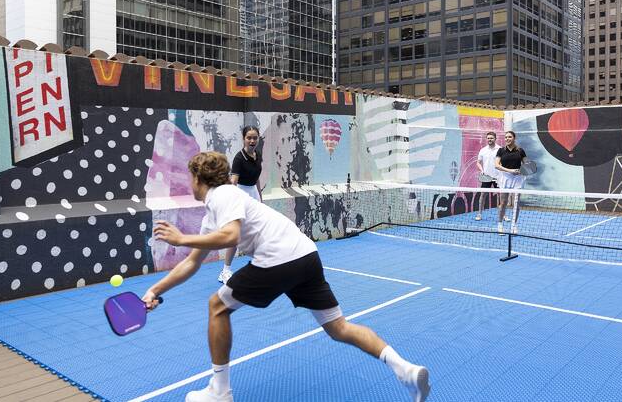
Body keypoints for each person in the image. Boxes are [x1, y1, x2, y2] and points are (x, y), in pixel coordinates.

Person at [144, 151, 431, 402]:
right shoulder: (214, 213)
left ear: (198, 178)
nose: (189, 183)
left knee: (217, 307)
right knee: (339, 328)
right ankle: (404, 369)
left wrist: (181, 239)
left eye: (190, 177)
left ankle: (219, 391)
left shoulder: (223, 194)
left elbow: (230, 235)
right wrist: (156, 290)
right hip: (306, 256)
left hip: (277, 258)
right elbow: (193, 263)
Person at [218, 126, 263, 285]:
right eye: (249, 138)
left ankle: (260, 267)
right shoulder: (238, 158)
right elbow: (233, 182)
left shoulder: (258, 155)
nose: (252, 141)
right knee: (235, 235)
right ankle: (225, 271)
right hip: (241, 194)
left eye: (255, 138)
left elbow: (257, 177)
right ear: (243, 139)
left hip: (253, 194)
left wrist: (260, 198)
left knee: (258, 232)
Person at [495, 131, 527, 234]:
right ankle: (500, 224)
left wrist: (521, 170)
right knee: (503, 202)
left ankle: (514, 225)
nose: (507, 139)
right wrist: (510, 171)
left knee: (516, 203)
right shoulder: (501, 150)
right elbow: (496, 165)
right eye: (506, 137)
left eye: (509, 137)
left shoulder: (520, 151)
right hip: (505, 177)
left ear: (514, 138)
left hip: (518, 178)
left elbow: (527, 164)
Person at [475, 132, 500, 221]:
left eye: (491, 138)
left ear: (495, 138)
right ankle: (479, 213)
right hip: (486, 177)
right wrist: (482, 170)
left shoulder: (500, 149)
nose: (490, 140)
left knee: (501, 197)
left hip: (498, 177)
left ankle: (503, 215)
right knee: (483, 195)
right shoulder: (483, 150)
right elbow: (478, 162)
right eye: (488, 138)